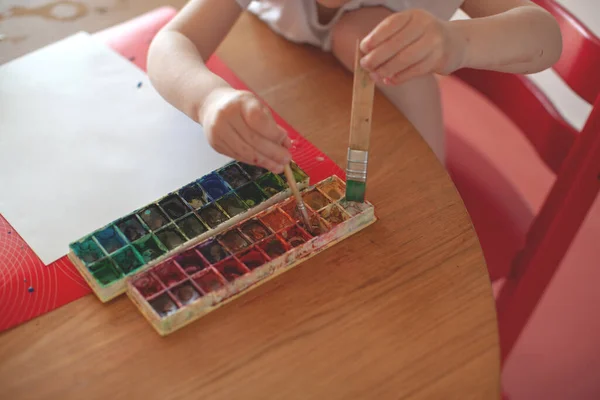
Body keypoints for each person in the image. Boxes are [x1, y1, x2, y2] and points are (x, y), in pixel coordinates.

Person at [147, 0, 562, 171]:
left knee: (364, 33)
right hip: (310, 97)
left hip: (408, 156)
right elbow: (171, 44)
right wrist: (207, 99)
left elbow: (546, 36)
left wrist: (460, 42)